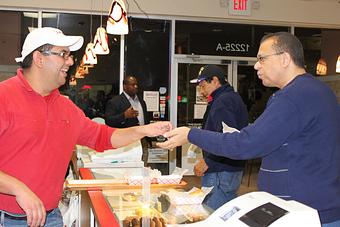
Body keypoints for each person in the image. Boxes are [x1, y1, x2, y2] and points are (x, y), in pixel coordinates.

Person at [157, 32, 340, 226]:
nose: (256, 65)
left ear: (285, 58)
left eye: (262, 58)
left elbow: (247, 144)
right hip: (313, 206)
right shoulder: (317, 91)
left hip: (305, 213)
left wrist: (190, 134)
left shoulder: (293, 96)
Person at [0, 27, 171, 227]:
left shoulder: (65, 107)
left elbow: (103, 137)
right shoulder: (4, 97)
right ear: (39, 58)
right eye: (63, 54)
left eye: (69, 55)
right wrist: (18, 189)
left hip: (51, 216)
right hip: (8, 218)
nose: (70, 61)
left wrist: (144, 130)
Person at [190, 65, 248, 210]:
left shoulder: (223, 101)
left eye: (203, 86)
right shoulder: (228, 98)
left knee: (213, 214)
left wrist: (209, 161)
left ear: (215, 81)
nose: (201, 92)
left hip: (221, 171)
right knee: (225, 213)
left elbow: (229, 139)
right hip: (229, 168)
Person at [105, 75, 151, 163]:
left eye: (136, 84)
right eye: (132, 85)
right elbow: (109, 121)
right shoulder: (115, 101)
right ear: (125, 86)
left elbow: (146, 120)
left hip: (143, 139)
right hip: (127, 141)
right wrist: (124, 116)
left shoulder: (142, 101)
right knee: (130, 167)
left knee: (143, 166)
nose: (136, 87)